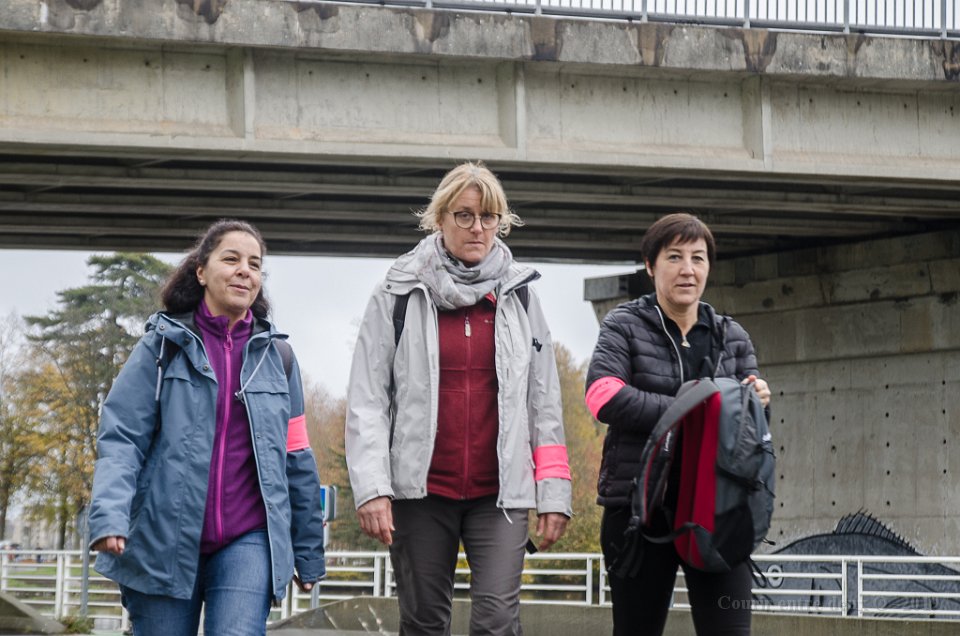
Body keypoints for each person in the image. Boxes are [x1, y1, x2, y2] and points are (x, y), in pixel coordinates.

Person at [345, 161, 572, 636]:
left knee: (497, 623)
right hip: (420, 494)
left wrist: (554, 493)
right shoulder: (397, 292)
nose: (477, 228)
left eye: (488, 217)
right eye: (464, 215)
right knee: (424, 624)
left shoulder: (520, 297)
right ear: (440, 218)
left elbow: (544, 403)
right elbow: (368, 399)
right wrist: (372, 488)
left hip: (501, 495)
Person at [87, 219, 325, 636]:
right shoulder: (160, 347)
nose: (244, 270)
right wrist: (110, 515)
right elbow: (122, 438)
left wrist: (307, 551)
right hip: (161, 539)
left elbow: (296, 457)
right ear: (201, 271)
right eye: (231, 259)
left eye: (255, 264)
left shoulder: (280, 359)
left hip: (248, 538)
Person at [585, 213, 772, 636]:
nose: (688, 269)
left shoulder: (733, 336)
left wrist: (759, 402)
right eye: (674, 257)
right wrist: (690, 408)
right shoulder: (623, 325)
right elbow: (603, 395)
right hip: (639, 513)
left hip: (720, 511)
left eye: (698, 258)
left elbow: (751, 433)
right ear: (650, 266)